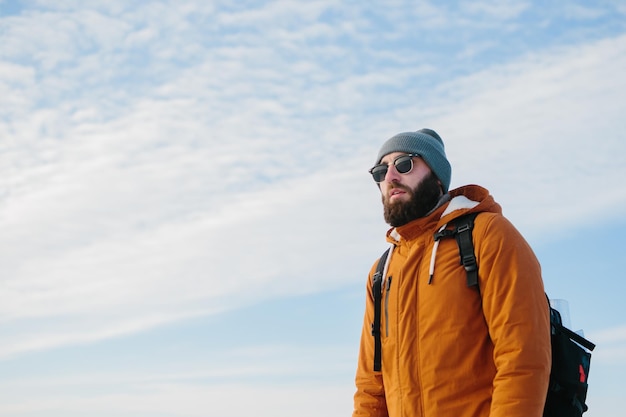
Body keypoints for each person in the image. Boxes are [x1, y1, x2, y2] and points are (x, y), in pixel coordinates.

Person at [352, 129, 551, 417]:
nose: (391, 176)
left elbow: (522, 358)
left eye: (405, 164)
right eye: (381, 171)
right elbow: (371, 386)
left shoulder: (488, 236)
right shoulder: (381, 272)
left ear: (437, 176)